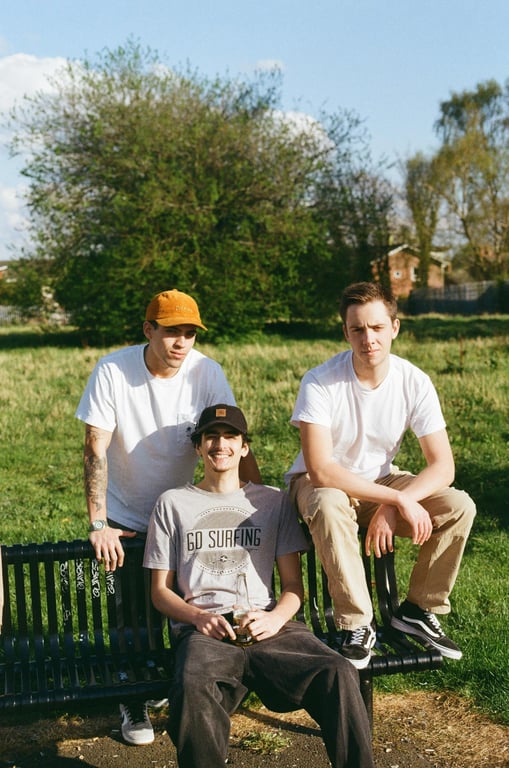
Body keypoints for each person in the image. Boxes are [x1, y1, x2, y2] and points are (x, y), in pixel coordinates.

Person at [75, 289, 260, 746]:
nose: (181, 341)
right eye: (172, 330)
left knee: (184, 606)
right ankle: (131, 696)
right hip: (125, 514)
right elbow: (95, 445)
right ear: (148, 330)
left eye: (190, 332)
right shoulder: (113, 371)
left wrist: (257, 503)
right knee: (131, 616)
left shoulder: (206, 372)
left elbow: (232, 437)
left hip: (182, 513)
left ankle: (171, 683)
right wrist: (99, 522)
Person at [143, 403, 375, 768]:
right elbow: (160, 591)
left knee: (339, 672)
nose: (221, 445)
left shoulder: (272, 502)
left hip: (268, 624)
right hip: (205, 631)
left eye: (230, 436)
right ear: (198, 447)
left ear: (244, 447)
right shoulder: (172, 504)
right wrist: (197, 617)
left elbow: (294, 586)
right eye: (211, 437)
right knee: (192, 686)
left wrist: (274, 619)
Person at [285, 281, 476, 670]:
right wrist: (395, 499)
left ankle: (418, 609)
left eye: (376, 328)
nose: (367, 338)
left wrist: (398, 498)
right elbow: (321, 469)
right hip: (319, 485)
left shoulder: (414, 380)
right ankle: (357, 624)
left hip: (380, 482)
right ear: (346, 332)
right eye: (357, 329)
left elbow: (443, 465)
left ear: (394, 328)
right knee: (328, 499)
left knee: (458, 506)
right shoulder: (320, 381)